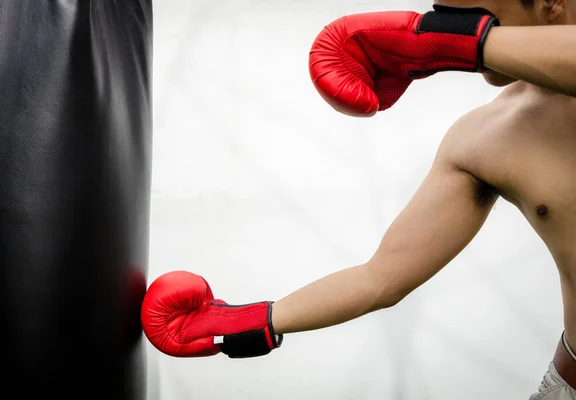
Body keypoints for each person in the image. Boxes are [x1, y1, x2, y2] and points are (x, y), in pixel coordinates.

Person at [141, 1, 576, 398]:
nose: (460, 32)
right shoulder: (486, 137)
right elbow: (380, 279)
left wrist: (440, 40)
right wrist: (242, 322)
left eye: (476, 21)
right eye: (448, 20)